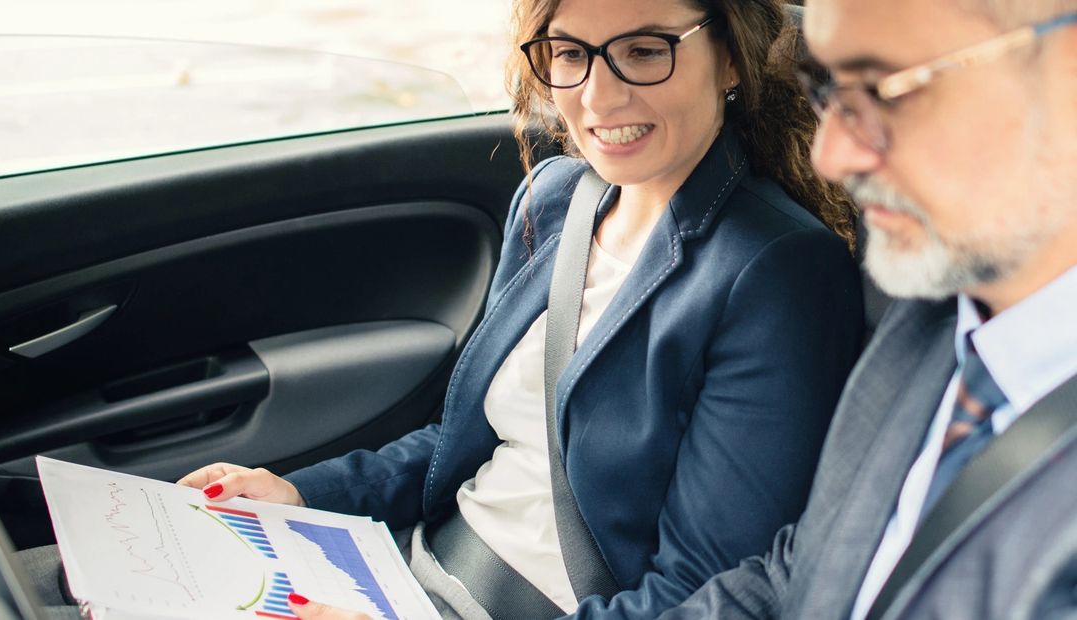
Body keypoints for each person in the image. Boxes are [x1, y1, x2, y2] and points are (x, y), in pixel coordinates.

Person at [178, 0, 864, 618]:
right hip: (412, 570)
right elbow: (467, 442)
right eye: (569, 53)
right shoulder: (555, 198)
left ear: (731, 58)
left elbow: (703, 590)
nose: (598, 95)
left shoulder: (776, 271)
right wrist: (303, 497)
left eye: (645, 51)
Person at [654, 0, 1077, 618]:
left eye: (886, 90)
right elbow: (803, 576)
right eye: (827, 89)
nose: (829, 156)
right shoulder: (926, 322)